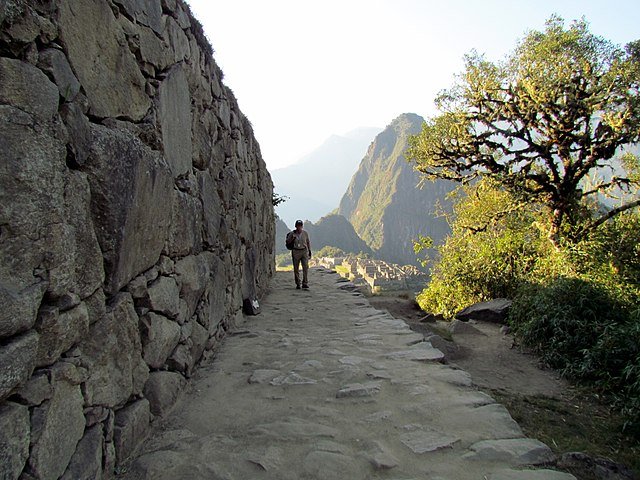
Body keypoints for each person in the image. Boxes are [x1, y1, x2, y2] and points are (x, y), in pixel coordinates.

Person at [290, 220, 311, 289]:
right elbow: (287, 242)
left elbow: (308, 242)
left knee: (305, 267)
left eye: (300, 226)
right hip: (296, 251)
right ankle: (298, 283)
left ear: (302, 226)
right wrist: (292, 239)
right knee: (296, 268)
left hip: (304, 251)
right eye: (298, 226)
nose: (299, 227)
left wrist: (309, 251)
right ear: (296, 226)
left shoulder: (305, 233)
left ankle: (305, 283)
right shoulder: (292, 234)